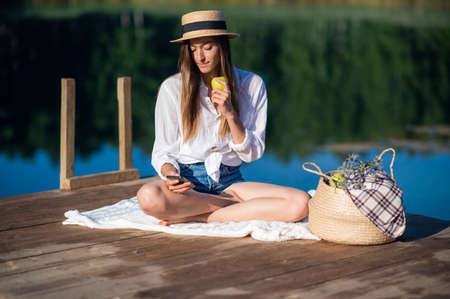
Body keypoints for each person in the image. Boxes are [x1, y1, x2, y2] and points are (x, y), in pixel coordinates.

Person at [137, 10, 310, 225]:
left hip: (229, 182)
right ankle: (234, 209)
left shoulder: (251, 84)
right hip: (188, 182)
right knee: (148, 196)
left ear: (223, 47)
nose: (200, 57)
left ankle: (200, 216)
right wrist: (171, 174)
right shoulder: (172, 88)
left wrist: (230, 113)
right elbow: (163, 150)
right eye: (194, 49)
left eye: (208, 47)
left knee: (301, 202)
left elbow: (251, 154)